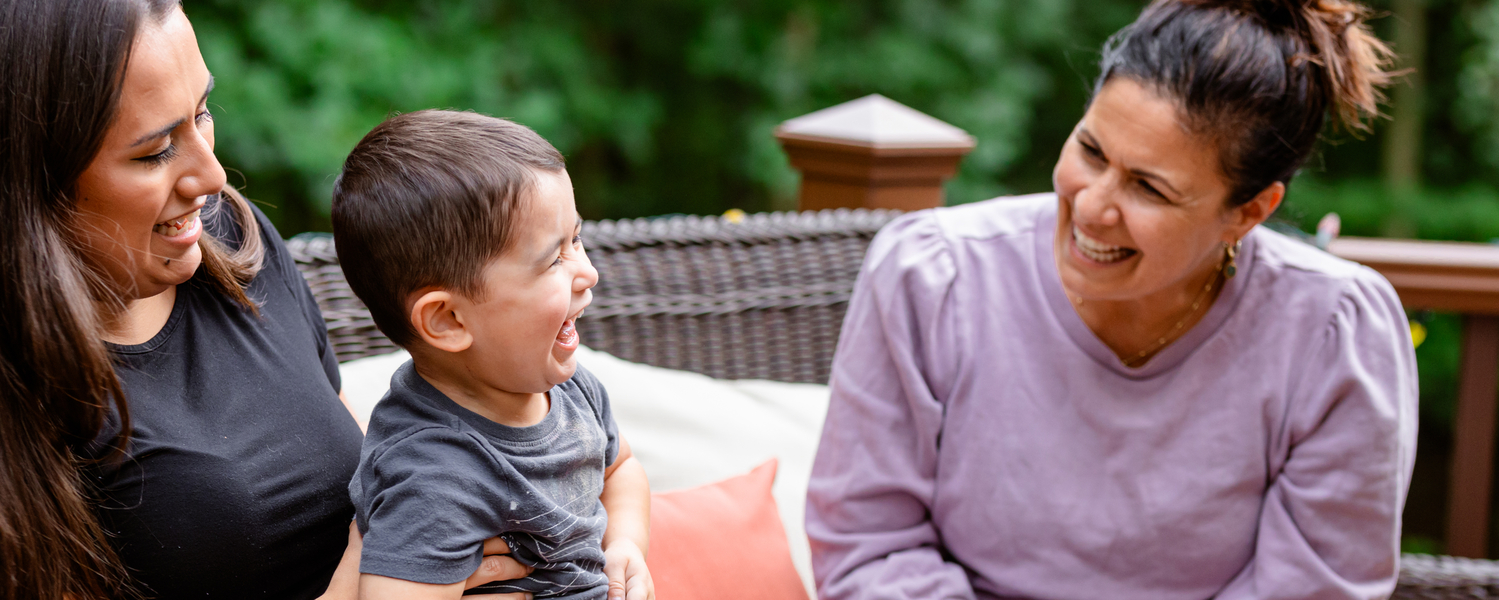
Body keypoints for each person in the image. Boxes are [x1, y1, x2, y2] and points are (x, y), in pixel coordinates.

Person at [0, 1, 530, 598]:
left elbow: (369, 474)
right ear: (19, 183)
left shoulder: (233, 243)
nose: (211, 177)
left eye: (203, 113)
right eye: (156, 151)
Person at [805, 0, 1417, 598]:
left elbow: (1317, 587)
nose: (1092, 207)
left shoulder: (1333, 334)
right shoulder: (933, 277)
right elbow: (869, 550)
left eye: (1149, 188)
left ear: (1248, 212)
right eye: (1091, 151)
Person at [331, 110, 654, 600]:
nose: (587, 272)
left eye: (577, 239)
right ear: (448, 321)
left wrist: (626, 542)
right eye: (554, 259)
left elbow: (619, 468)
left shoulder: (570, 389)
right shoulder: (432, 475)